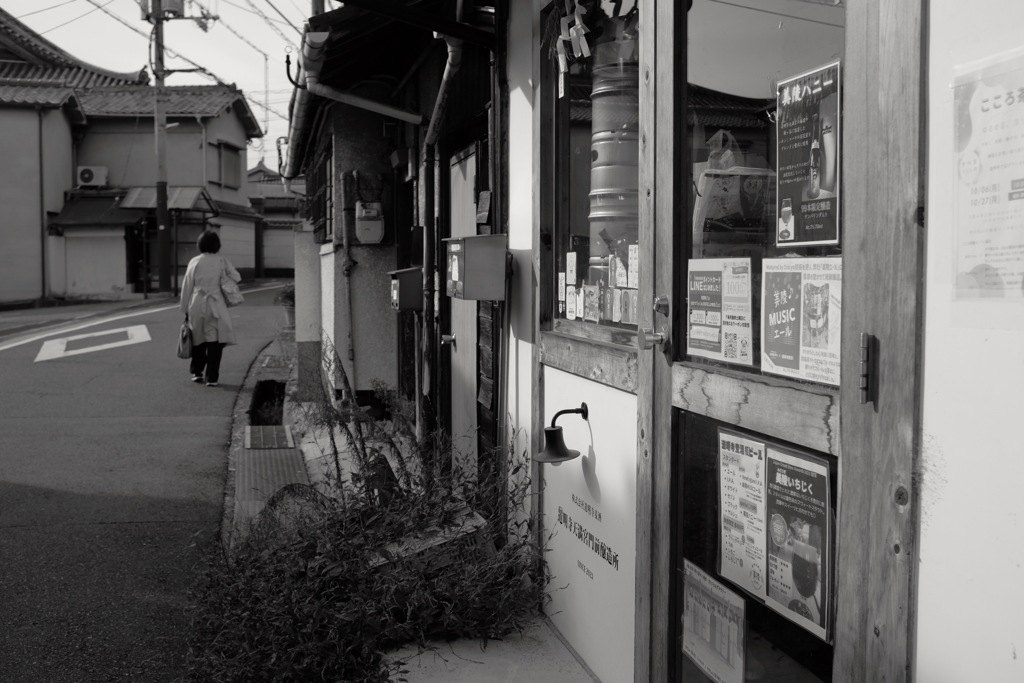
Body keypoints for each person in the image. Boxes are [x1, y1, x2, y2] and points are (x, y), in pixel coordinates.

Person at [179, 229, 241, 387]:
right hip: (216, 303)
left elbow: (187, 285)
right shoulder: (222, 261)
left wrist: (184, 307)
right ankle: (212, 377)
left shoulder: (195, 261)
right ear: (217, 244)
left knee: (198, 338)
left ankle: (197, 372)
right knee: (215, 341)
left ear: (200, 244)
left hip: (197, 303)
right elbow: (237, 277)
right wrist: (222, 277)